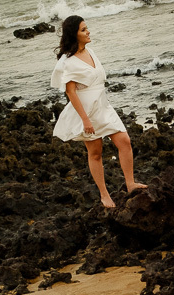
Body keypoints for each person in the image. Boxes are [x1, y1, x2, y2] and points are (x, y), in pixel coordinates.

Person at [50, 16, 146, 208]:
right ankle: (104, 195)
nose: (88, 32)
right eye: (83, 30)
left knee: (124, 141)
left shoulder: (91, 52)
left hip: (103, 105)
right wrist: (85, 120)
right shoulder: (68, 62)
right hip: (87, 111)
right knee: (95, 152)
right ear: (74, 34)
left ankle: (130, 183)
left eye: (87, 28)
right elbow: (70, 92)